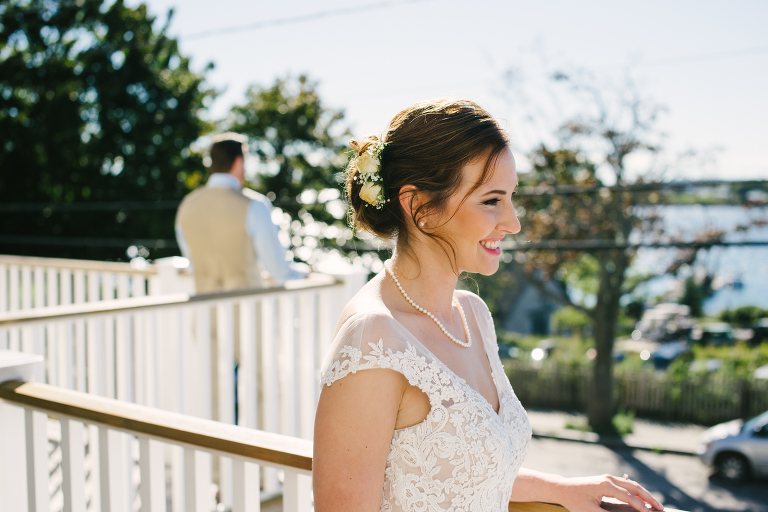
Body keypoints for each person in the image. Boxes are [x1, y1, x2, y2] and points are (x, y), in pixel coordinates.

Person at [313, 100, 665, 512]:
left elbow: (459, 473)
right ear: (418, 206)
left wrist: (560, 490)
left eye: (511, 197)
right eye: (491, 200)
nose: (513, 222)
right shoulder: (373, 340)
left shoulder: (472, 315)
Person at [175, 132, 306, 294]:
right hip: (246, 314)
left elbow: (192, 263)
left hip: (204, 314)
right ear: (238, 162)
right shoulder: (254, 204)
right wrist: (304, 273)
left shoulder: (186, 206)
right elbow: (279, 272)